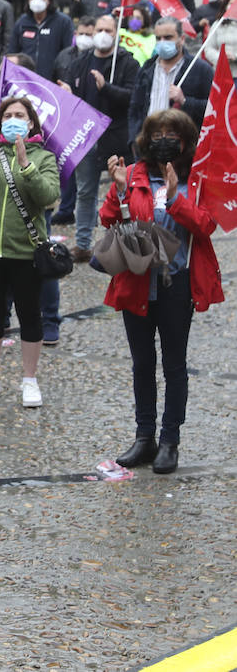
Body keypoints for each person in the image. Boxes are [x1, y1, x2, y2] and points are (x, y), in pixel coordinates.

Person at [101, 110, 222, 475]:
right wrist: (120, 190)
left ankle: (170, 440)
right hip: (136, 281)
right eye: (158, 133)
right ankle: (144, 438)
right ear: (147, 139)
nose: (164, 139)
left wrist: (174, 199)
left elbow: (206, 225)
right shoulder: (134, 173)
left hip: (176, 283)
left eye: (173, 133)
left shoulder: (197, 180)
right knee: (142, 363)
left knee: (174, 364)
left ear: (185, 142)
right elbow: (110, 221)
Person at [0, 97, 59, 407]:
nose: (13, 119)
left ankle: (29, 380)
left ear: (31, 123)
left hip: (26, 251)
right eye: (8, 115)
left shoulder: (44, 157)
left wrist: (26, 166)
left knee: (30, 315)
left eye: (20, 115)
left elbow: (48, 196)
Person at [63, 14, 136, 260]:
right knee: (85, 192)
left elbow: (132, 98)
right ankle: (83, 244)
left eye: (108, 30)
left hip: (117, 138)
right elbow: (74, 100)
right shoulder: (80, 63)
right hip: (86, 138)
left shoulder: (127, 62)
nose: (103, 34)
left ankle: (128, 242)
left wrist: (107, 88)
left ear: (117, 34)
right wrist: (66, 95)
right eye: (100, 29)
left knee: (124, 191)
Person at [128, 15, 213, 142]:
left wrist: (185, 101)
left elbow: (213, 109)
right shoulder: (147, 69)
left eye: (168, 37)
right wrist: (135, 141)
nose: (162, 42)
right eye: (158, 38)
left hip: (183, 146)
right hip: (149, 144)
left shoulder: (200, 69)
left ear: (182, 39)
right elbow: (135, 108)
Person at [49, 17, 98, 226]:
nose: (85, 38)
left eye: (90, 34)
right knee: (68, 167)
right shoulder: (64, 56)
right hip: (69, 121)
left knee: (89, 180)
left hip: (93, 123)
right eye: (81, 34)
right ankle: (67, 208)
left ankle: (89, 216)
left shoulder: (100, 61)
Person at [8, 0, 73, 83]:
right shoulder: (21, 22)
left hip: (52, 81)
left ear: (49, 0)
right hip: (26, 79)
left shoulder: (63, 22)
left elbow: (68, 53)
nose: (37, 0)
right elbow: (13, 51)